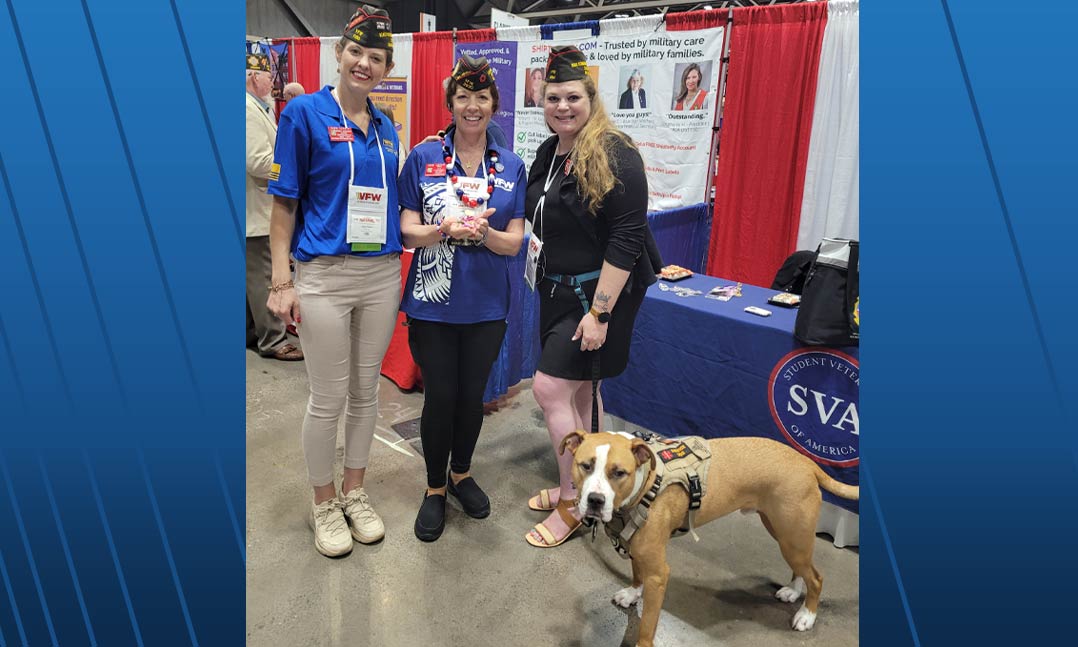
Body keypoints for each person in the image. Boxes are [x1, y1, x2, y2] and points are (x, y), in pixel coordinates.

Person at [266, 4, 402, 558]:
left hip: (382, 274)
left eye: (376, 57)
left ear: (386, 65)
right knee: (327, 398)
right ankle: (323, 503)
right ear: (338, 54)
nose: (364, 64)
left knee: (366, 393)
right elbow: (284, 206)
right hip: (323, 274)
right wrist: (281, 281)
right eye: (356, 53)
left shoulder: (388, 126)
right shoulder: (303, 113)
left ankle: (355, 492)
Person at [523, 45, 662, 548]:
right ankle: (589, 487)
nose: (562, 106)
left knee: (549, 389)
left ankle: (570, 501)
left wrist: (600, 313)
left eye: (573, 97)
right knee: (579, 391)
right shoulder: (550, 150)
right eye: (553, 97)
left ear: (592, 98)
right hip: (557, 291)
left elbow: (627, 238)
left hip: (602, 296)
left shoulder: (616, 153)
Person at [398, 55, 526, 542]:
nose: (472, 107)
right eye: (463, 97)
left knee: (472, 397)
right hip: (432, 304)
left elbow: (514, 242)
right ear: (450, 103)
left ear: (494, 104)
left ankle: (461, 473)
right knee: (441, 396)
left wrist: (484, 232)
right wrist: (444, 229)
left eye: (482, 97)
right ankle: (434, 488)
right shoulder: (423, 157)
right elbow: (408, 233)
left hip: (487, 304)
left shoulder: (511, 165)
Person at [246, 52, 303, 361]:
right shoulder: (247, 109)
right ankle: (273, 339)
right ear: (255, 77)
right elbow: (257, 161)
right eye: (268, 76)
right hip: (258, 211)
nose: (272, 82)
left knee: (252, 278)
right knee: (265, 279)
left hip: (257, 209)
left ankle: (252, 333)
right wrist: (293, 166)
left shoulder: (257, 108)